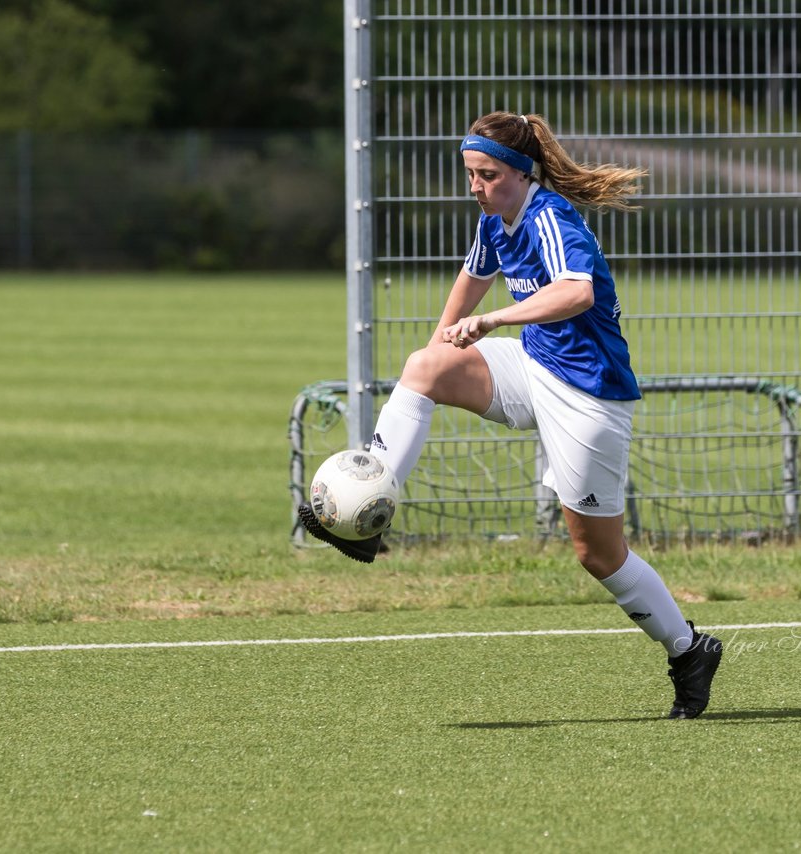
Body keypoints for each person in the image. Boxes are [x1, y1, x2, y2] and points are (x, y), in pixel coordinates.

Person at [299, 111, 722, 719]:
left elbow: (578, 291)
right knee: (425, 368)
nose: (476, 185)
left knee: (597, 555)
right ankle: (371, 511)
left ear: (522, 174)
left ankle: (688, 650)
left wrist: (494, 320)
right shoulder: (496, 217)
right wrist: (442, 341)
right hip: (534, 367)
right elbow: (473, 276)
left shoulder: (550, 216)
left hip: (587, 395)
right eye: (470, 174)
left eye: (487, 174)